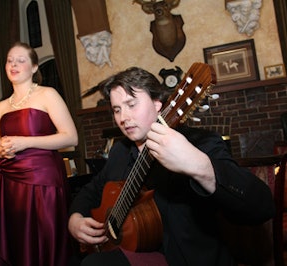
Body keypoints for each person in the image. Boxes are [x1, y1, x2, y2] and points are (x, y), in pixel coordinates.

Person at [68, 66, 275, 265]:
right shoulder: (120, 152)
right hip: (137, 250)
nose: (124, 118)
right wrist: (75, 218)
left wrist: (200, 166)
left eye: (132, 105)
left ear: (157, 103)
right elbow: (91, 190)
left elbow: (262, 206)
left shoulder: (199, 143)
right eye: (117, 110)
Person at [0, 42, 78, 266]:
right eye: (10, 60)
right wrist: (4, 149)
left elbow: (71, 138)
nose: (14, 64)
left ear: (34, 67)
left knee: (46, 239)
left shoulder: (47, 94)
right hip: (10, 182)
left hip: (44, 180)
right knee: (18, 240)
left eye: (21, 60)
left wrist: (24, 143)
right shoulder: (1, 106)